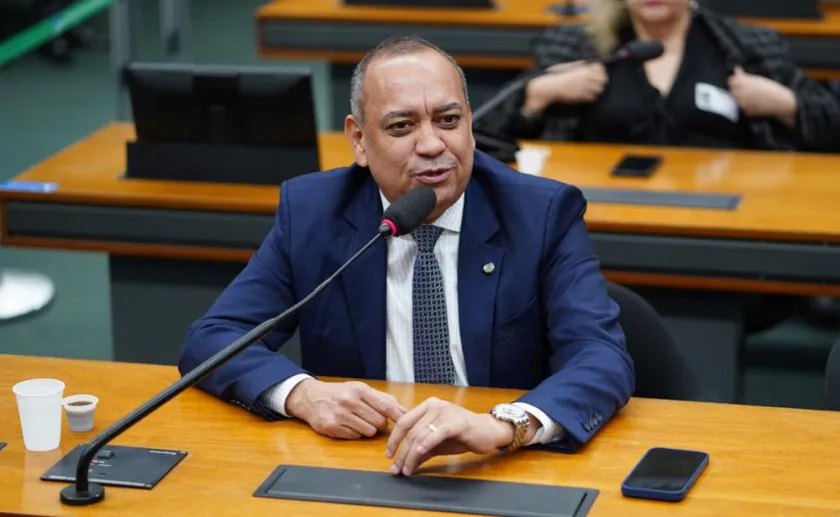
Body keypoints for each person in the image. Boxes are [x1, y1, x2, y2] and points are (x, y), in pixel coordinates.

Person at [178, 35, 634, 477]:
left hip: (499, 463)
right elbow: (215, 337)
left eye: (448, 120)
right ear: (359, 139)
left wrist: (503, 425)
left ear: (470, 124)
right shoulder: (315, 213)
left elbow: (600, 357)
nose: (432, 144)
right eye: (402, 126)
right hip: (362, 460)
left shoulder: (540, 213)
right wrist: (303, 394)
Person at [474, 0, 840, 153]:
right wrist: (538, 95)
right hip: (601, 212)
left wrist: (787, 105)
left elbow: (832, 122)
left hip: (725, 207)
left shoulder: (749, 46)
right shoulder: (574, 47)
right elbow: (482, 132)